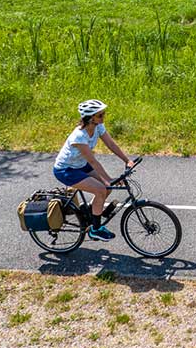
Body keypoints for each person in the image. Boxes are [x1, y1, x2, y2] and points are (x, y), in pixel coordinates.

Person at [52, 100, 134, 242]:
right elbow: (93, 162)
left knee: (107, 189)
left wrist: (127, 160)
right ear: (90, 118)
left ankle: (89, 212)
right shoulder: (79, 136)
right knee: (101, 189)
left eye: (103, 114)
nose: (103, 117)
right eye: (100, 115)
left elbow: (110, 144)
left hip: (80, 165)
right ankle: (95, 230)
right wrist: (108, 179)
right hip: (66, 170)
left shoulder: (98, 126)